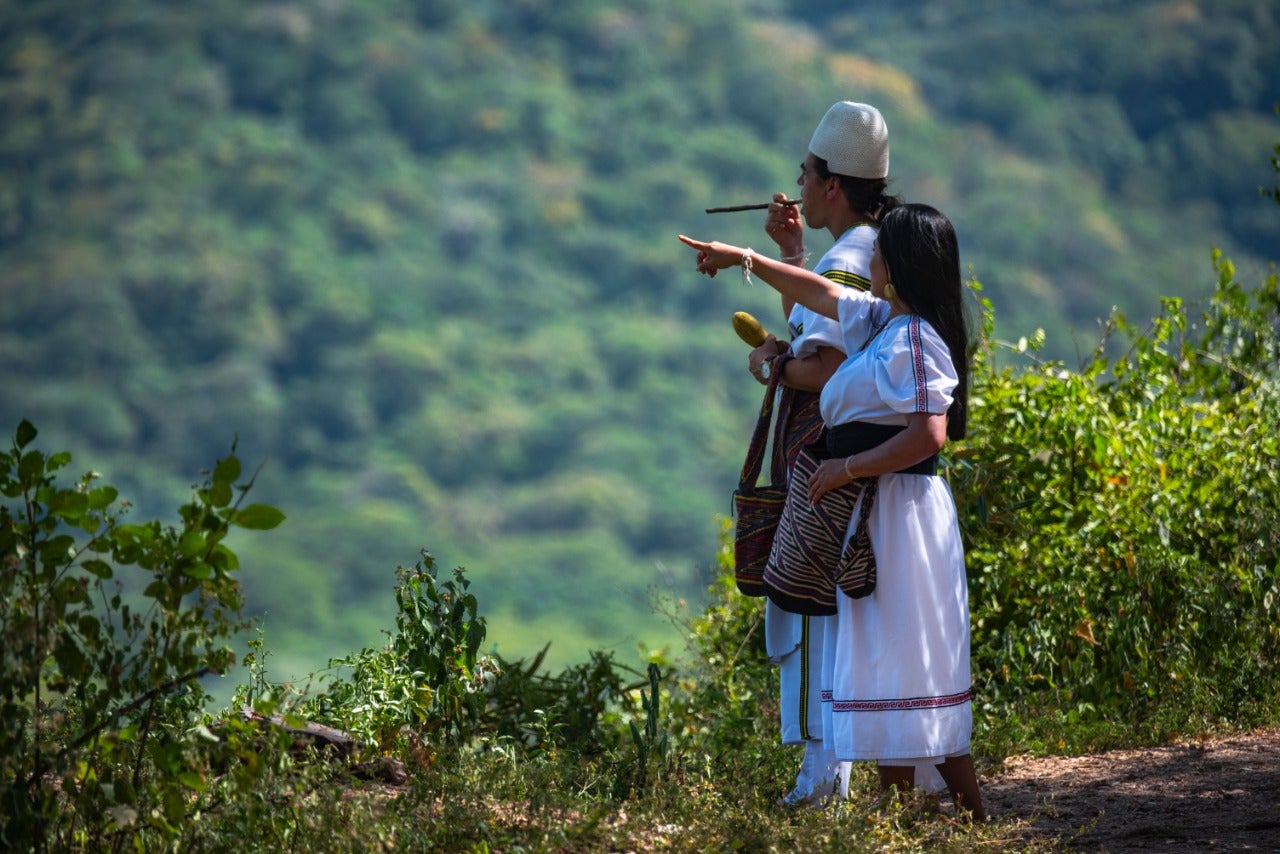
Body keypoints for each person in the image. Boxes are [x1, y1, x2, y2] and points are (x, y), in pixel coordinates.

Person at [679, 203, 987, 820]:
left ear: (897, 267)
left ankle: (949, 811)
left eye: (879, 251)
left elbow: (928, 435)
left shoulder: (915, 338)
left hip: (900, 512)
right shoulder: (881, 322)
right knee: (891, 651)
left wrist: (846, 468)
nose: (869, 258)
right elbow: (816, 293)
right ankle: (914, 808)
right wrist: (745, 258)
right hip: (879, 509)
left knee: (906, 651)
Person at [741, 101, 906, 809]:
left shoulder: (849, 258)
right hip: (853, 460)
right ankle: (832, 775)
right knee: (835, 608)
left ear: (832, 184)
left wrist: (775, 365)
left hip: (823, 459)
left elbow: (830, 363)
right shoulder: (871, 249)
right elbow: (824, 325)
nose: (798, 184)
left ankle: (820, 783)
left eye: (805, 173)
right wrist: (791, 255)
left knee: (812, 607)